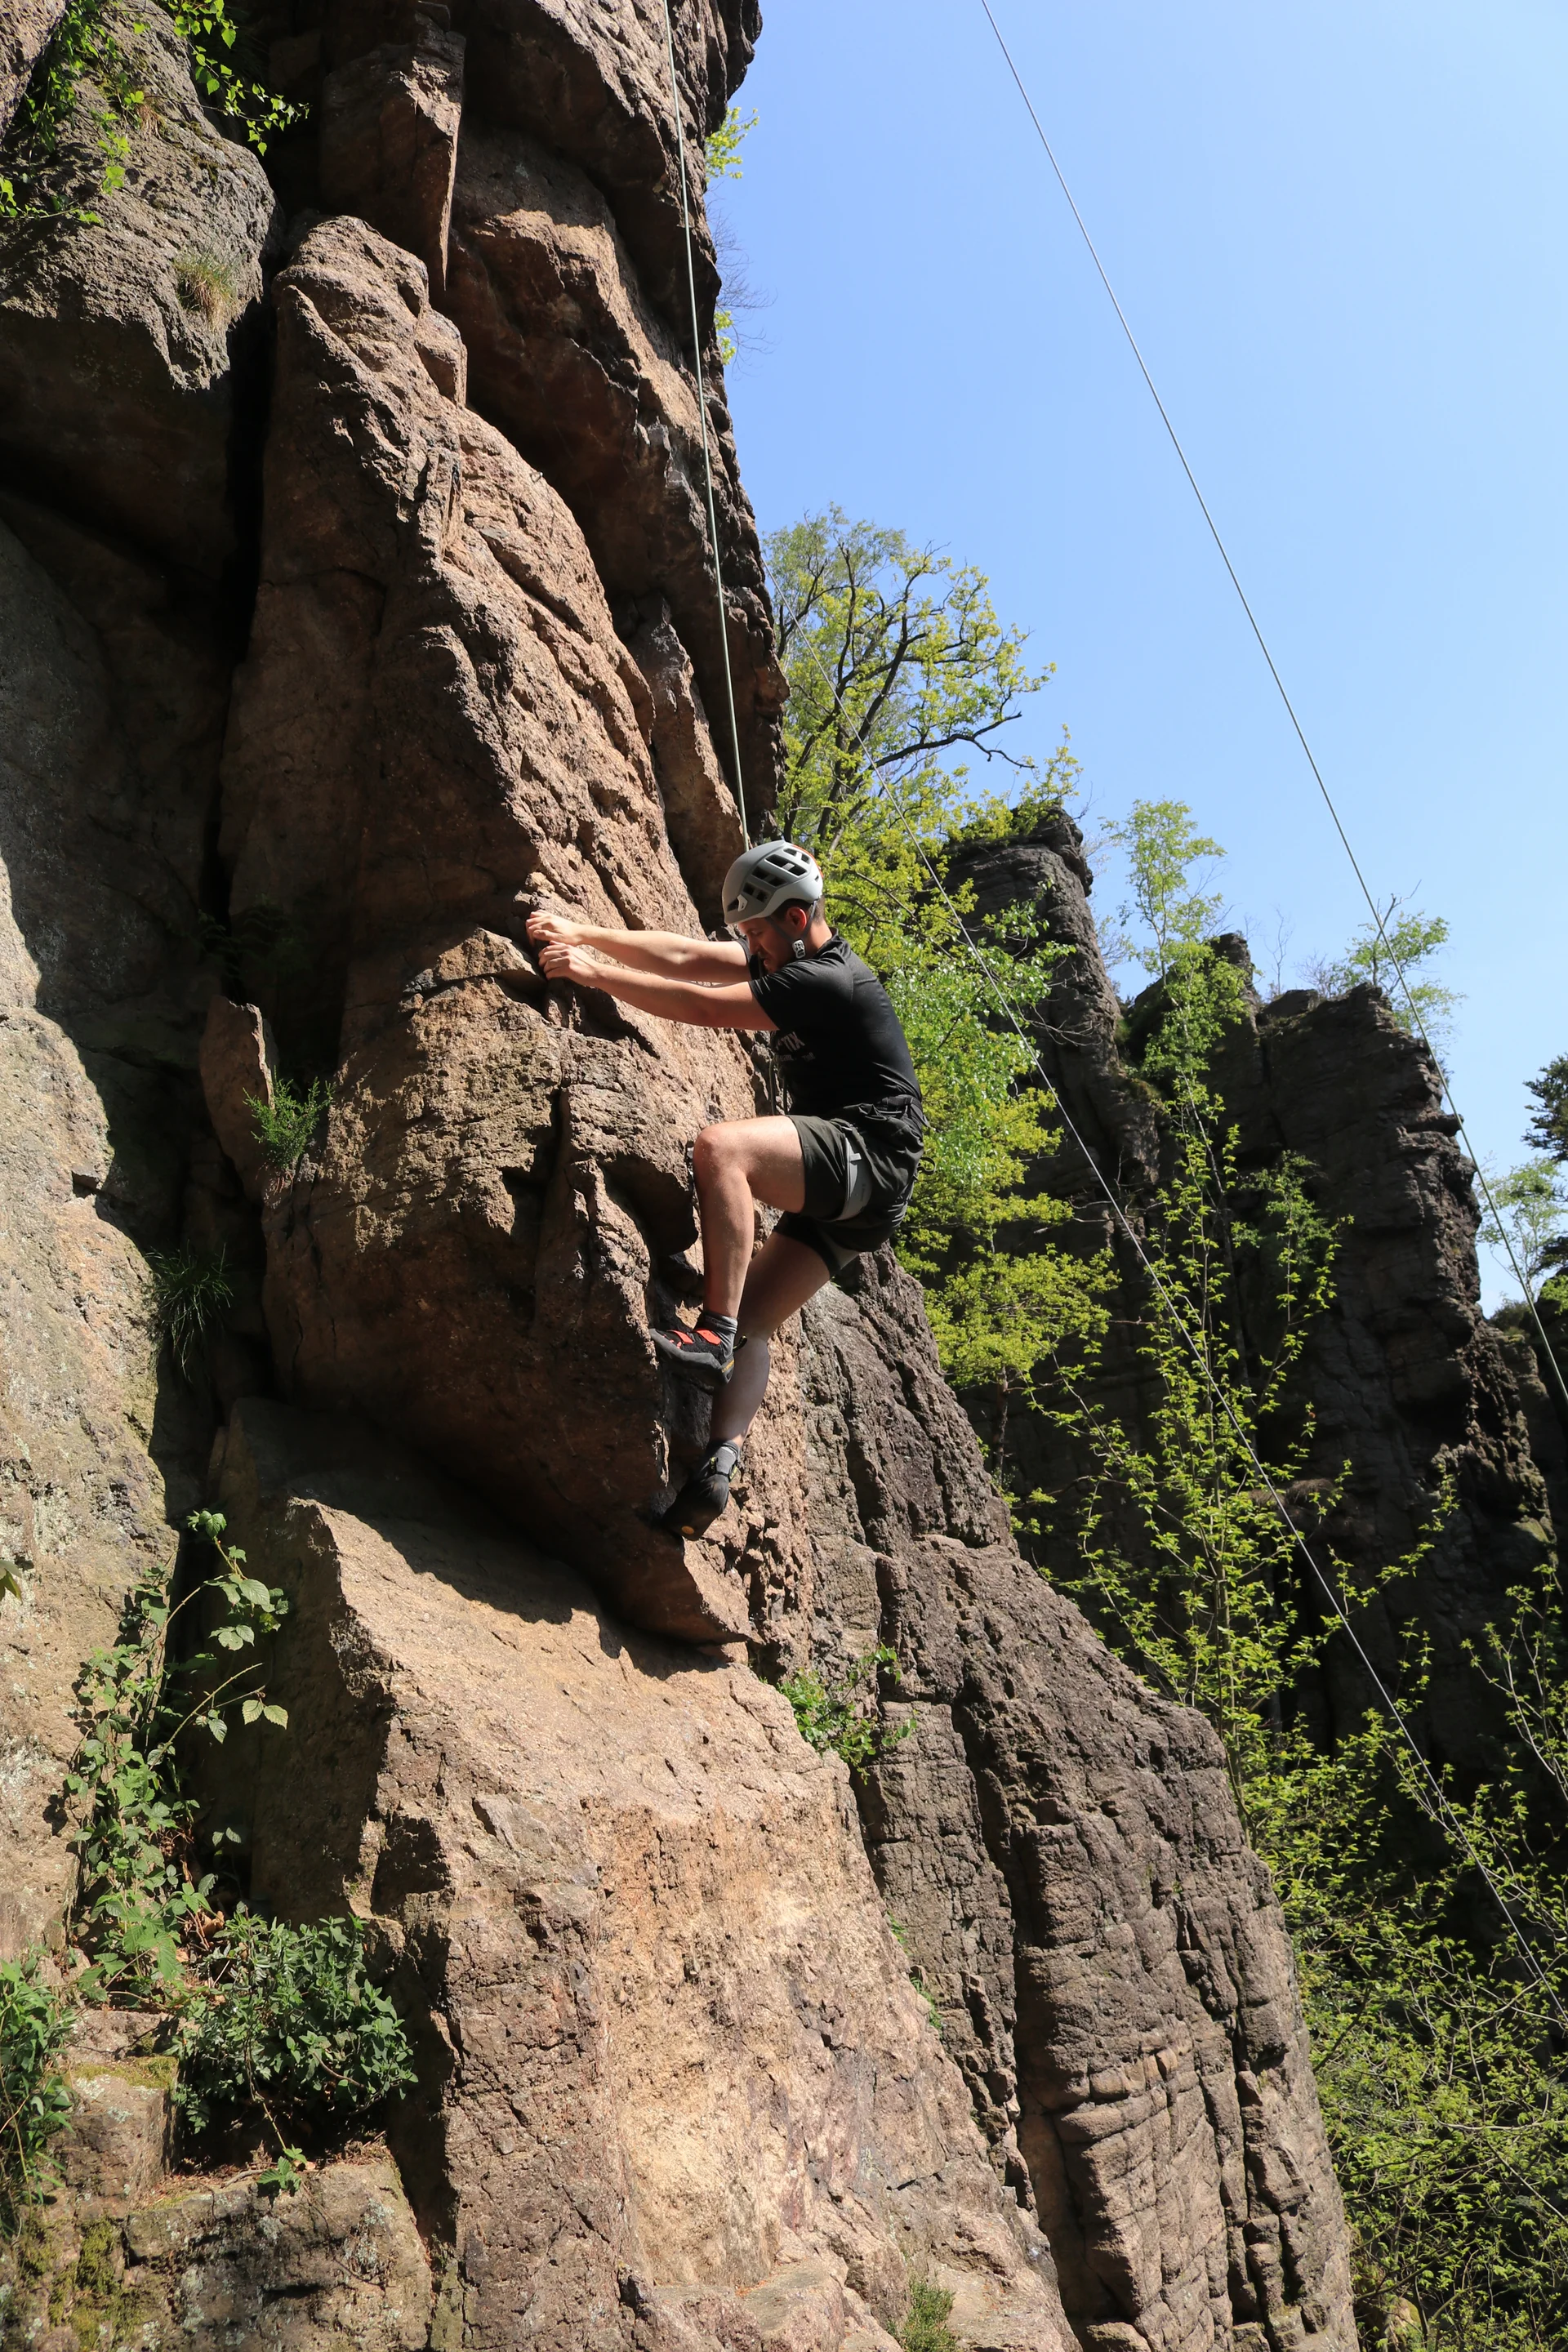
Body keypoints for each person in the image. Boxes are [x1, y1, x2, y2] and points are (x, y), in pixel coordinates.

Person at [528, 841, 924, 1538]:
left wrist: (592, 974)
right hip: (864, 1201)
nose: (750, 947)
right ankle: (719, 1465)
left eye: (757, 933)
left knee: (723, 1149)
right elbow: (684, 959)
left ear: (796, 918)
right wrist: (584, 932)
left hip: (870, 1156)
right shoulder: (789, 955)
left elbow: (707, 1010)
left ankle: (712, 1334)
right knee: (758, 1323)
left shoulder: (826, 979)